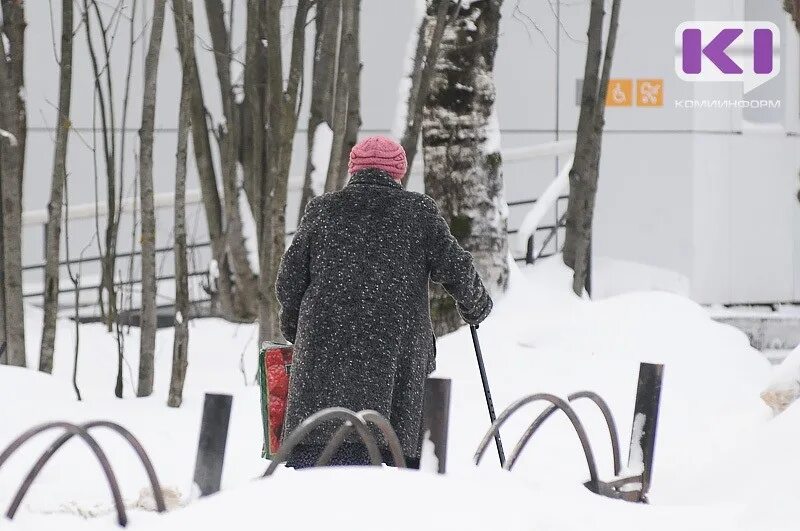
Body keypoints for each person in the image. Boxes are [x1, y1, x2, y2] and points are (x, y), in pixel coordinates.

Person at [275, 135, 493, 468]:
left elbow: (289, 282)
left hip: (322, 367)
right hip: (395, 366)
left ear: (353, 170)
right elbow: (457, 267)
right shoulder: (418, 212)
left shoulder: (323, 211)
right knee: (391, 476)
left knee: (317, 485)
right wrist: (476, 306)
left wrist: (298, 332)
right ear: (398, 174)